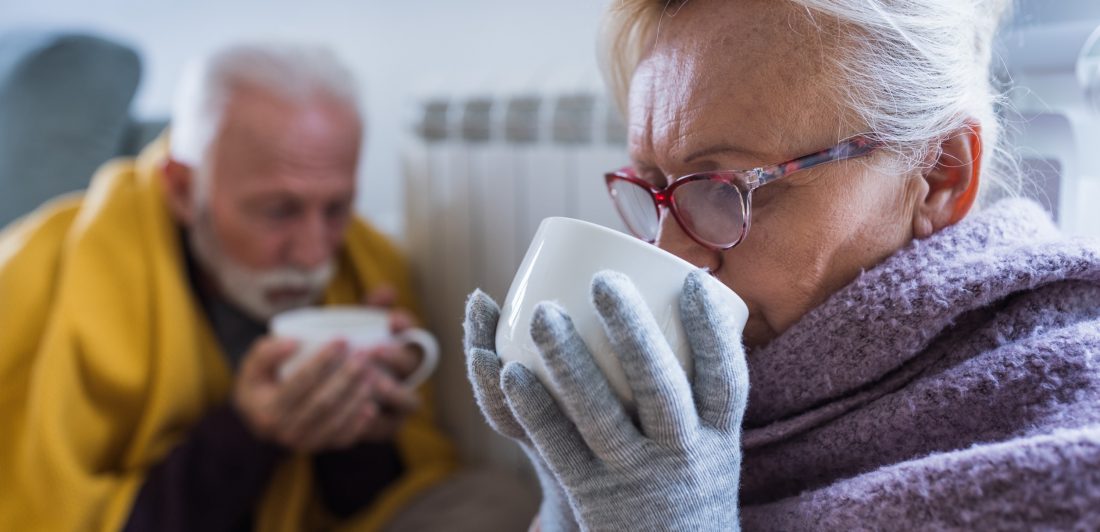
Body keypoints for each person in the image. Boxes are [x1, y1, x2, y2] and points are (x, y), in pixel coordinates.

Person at [464, 0, 1100, 530]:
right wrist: (570, 489)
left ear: (939, 175)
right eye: (655, 185)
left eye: (725, 188)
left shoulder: (1068, 451)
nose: (669, 252)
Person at [0, 43, 458, 530]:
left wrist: (364, 431)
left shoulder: (369, 265)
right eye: (278, 211)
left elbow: (372, 504)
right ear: (181, 189)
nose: (314, 253)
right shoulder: (45, 275)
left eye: (337, 209)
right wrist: (248, 433)